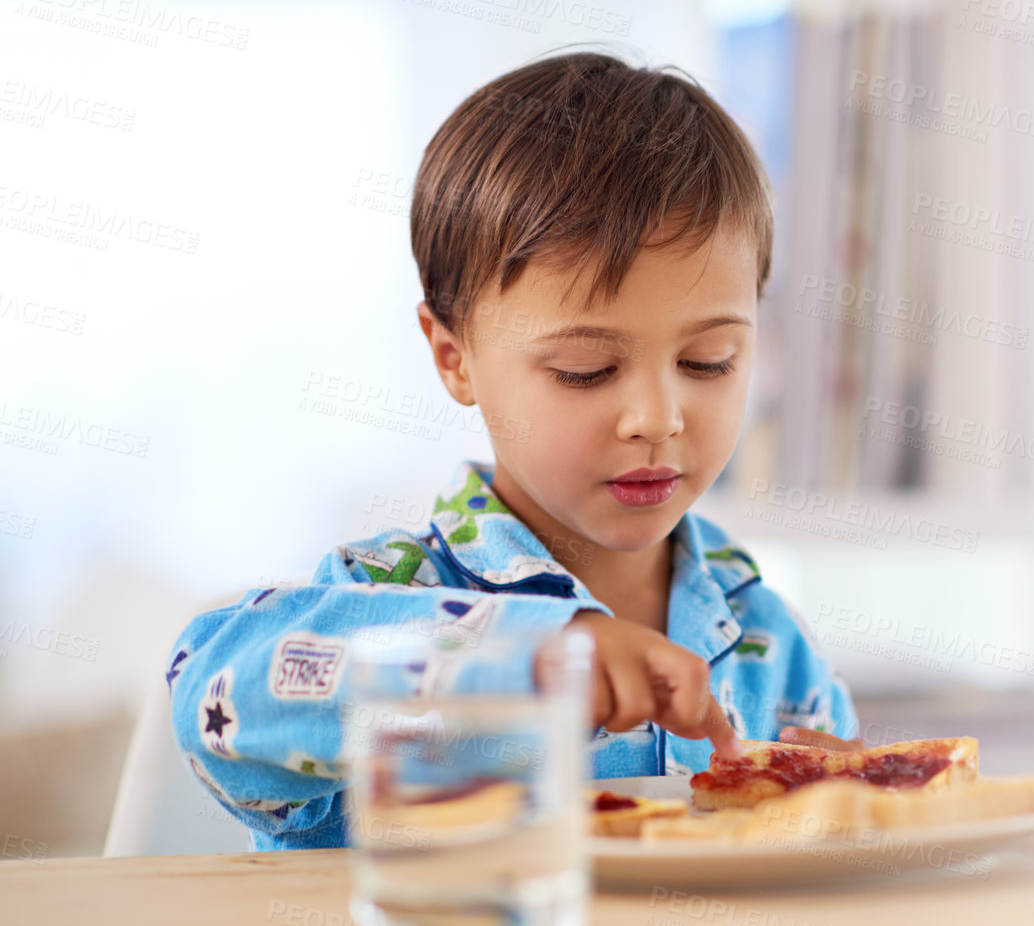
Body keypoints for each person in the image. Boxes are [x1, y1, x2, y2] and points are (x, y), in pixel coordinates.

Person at [165, 50, 861, 851]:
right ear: (454, 357)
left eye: (709, 362)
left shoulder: (769, 639)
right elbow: (212, 682)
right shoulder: (389, 595)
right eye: (585, 370)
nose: (657, 418)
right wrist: (523, 655)